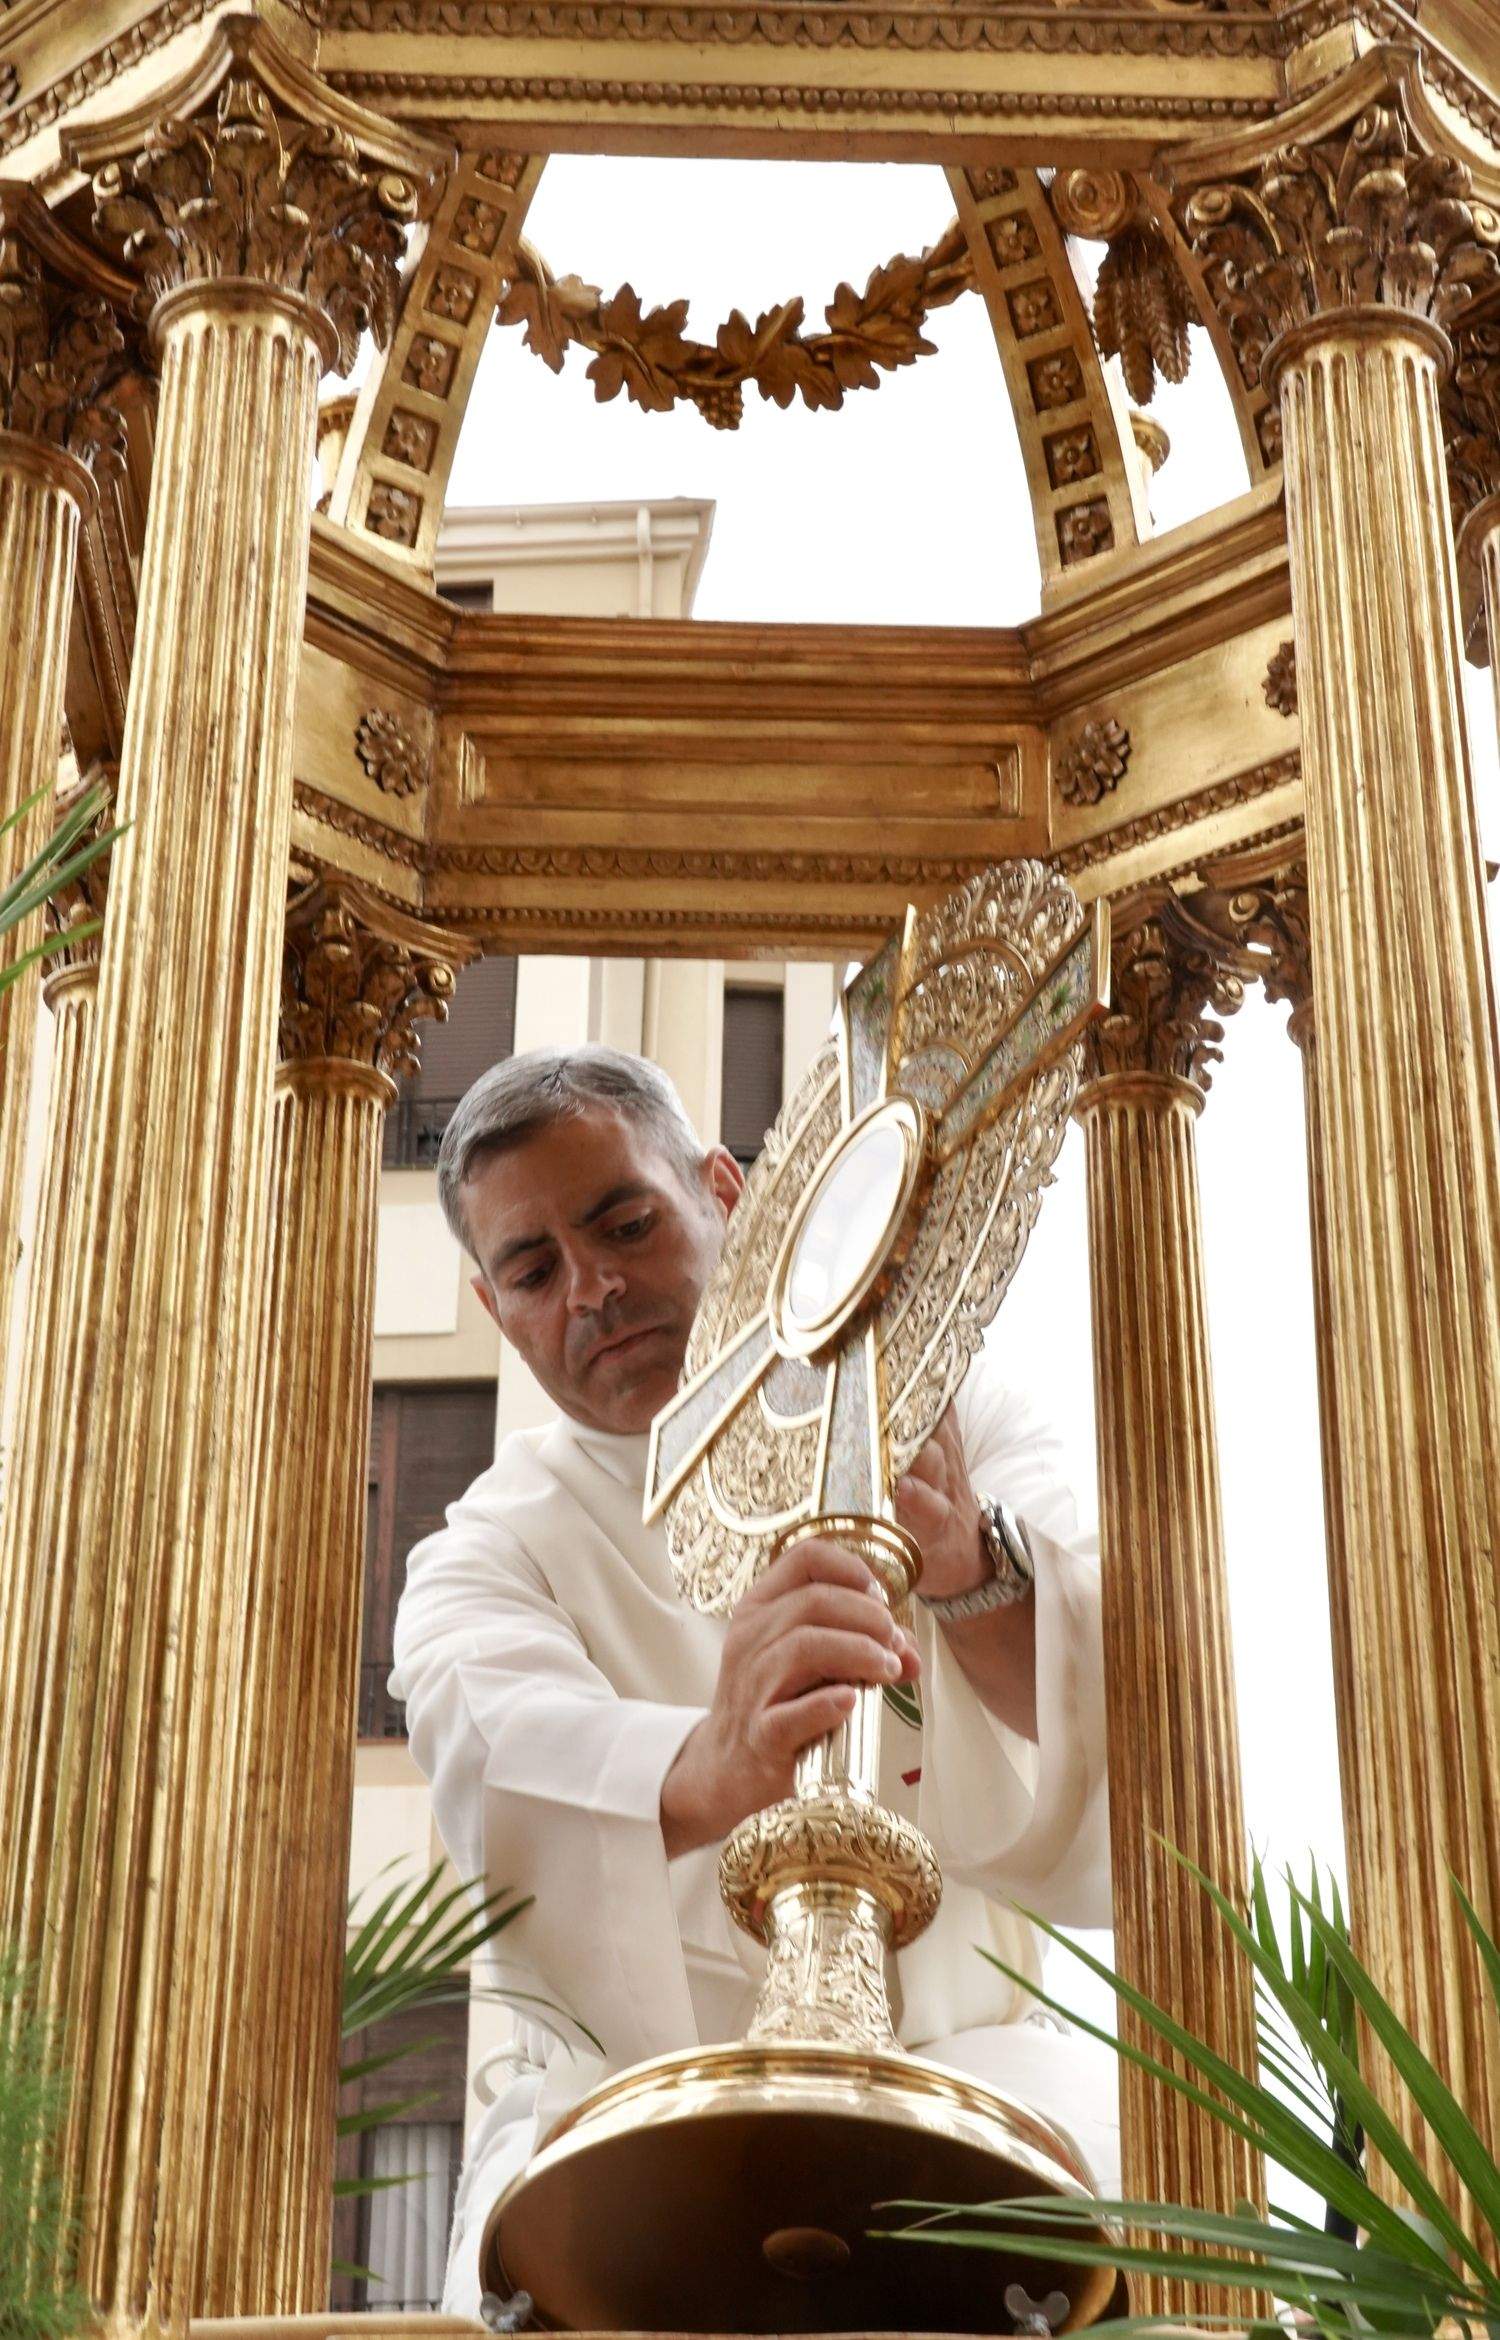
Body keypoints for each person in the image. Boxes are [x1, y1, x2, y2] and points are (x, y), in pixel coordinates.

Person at [391, 1045, 1116, 2316]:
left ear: (726, 1194)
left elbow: (1131, 1726)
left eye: (626, 1224)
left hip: (979, 2091)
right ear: (493, 1307)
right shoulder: (485, 1554)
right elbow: (498, 1765)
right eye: (535, 1270)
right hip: (637, 2128)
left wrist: (969, 1568)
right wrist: (716, 1761)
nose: (595, 1288)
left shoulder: (952, 1412)